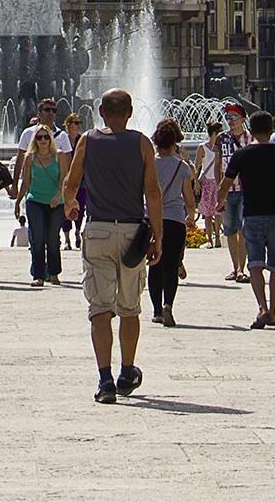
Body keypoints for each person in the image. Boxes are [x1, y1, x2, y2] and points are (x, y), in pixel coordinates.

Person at [60, 88, 161, 404]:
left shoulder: (88, 141)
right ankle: (126, 372)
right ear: (130, 113)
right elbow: (153, 193)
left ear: (101, 112)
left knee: (100, 309)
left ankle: (104, 381)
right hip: (132, 231)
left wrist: (69, 205)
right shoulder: (143, 143)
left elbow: (71, 183)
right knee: (130, 308)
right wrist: (157, 235)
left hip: (98, 231)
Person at [223, 110, 275, 330]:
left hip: (251, 215)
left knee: (255, 265)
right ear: (271, 130)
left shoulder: (241, 155)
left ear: (250, 130)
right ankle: (273, 311)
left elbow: (225, 183)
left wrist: (219, 202)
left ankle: (261, 307)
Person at [147, 119, 197, 326]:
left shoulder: (149, 164)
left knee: (154, 265)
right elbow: (188, 197)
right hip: (175, 219)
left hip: (152, 219)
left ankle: (157, 311)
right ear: (173, 142)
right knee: (171, 264)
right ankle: (168, 304)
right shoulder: (182, 166)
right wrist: (192, 215)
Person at [17, 124, 66, 285]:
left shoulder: (59, 155)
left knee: (52, 238)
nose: (43, 140)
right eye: (39, 137)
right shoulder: (30, 157)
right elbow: (26, 181)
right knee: (37, 238)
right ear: (35, 140)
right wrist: (18, 202)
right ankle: (38, 275)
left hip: (55, 203)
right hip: (34, 201)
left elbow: (64, 179)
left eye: (46, 137)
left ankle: (54, 273)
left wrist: (58, 196)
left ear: (50, 139)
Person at [215, 104, 253, 280]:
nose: (230, 121)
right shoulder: (222, 138)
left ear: (243, 120)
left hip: (245, 189)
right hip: (227, 191)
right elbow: (217, 164)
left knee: (243, 230)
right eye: (228, 118)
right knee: (230, 230)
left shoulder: (250, 138)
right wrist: (218, 188)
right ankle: (235, 266)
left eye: (234, 117)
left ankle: (241, 269)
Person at [14, 97, 75, 196]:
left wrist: (67, 188)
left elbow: (68, 163)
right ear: (39, 113)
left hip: (55, 188)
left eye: (54, 110)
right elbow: (20, 159)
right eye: (47, 110)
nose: (51, 113)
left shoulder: (62, 135)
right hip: (34, 187)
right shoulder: (28, 133)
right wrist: (15, 184)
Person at [198, 120, 226, 247]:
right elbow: (197, 165)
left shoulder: (219, 148)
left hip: (217, 182)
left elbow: (221, 166)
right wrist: (195, 181)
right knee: (207, 213)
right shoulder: (202, 147)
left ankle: (218, 238)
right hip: (207, 182)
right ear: (214, 134)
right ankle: (209, 238)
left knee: (218, 212)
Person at [61, 113, 87, 247]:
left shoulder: (82, 139)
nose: (78, 126)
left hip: (81, 178)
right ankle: (66, 239)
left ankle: (77, 231)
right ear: (68, 124)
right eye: (76, 123)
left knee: (80, 205)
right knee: (66, 205)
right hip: (65, 177)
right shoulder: (61, 138)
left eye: (79, 123)